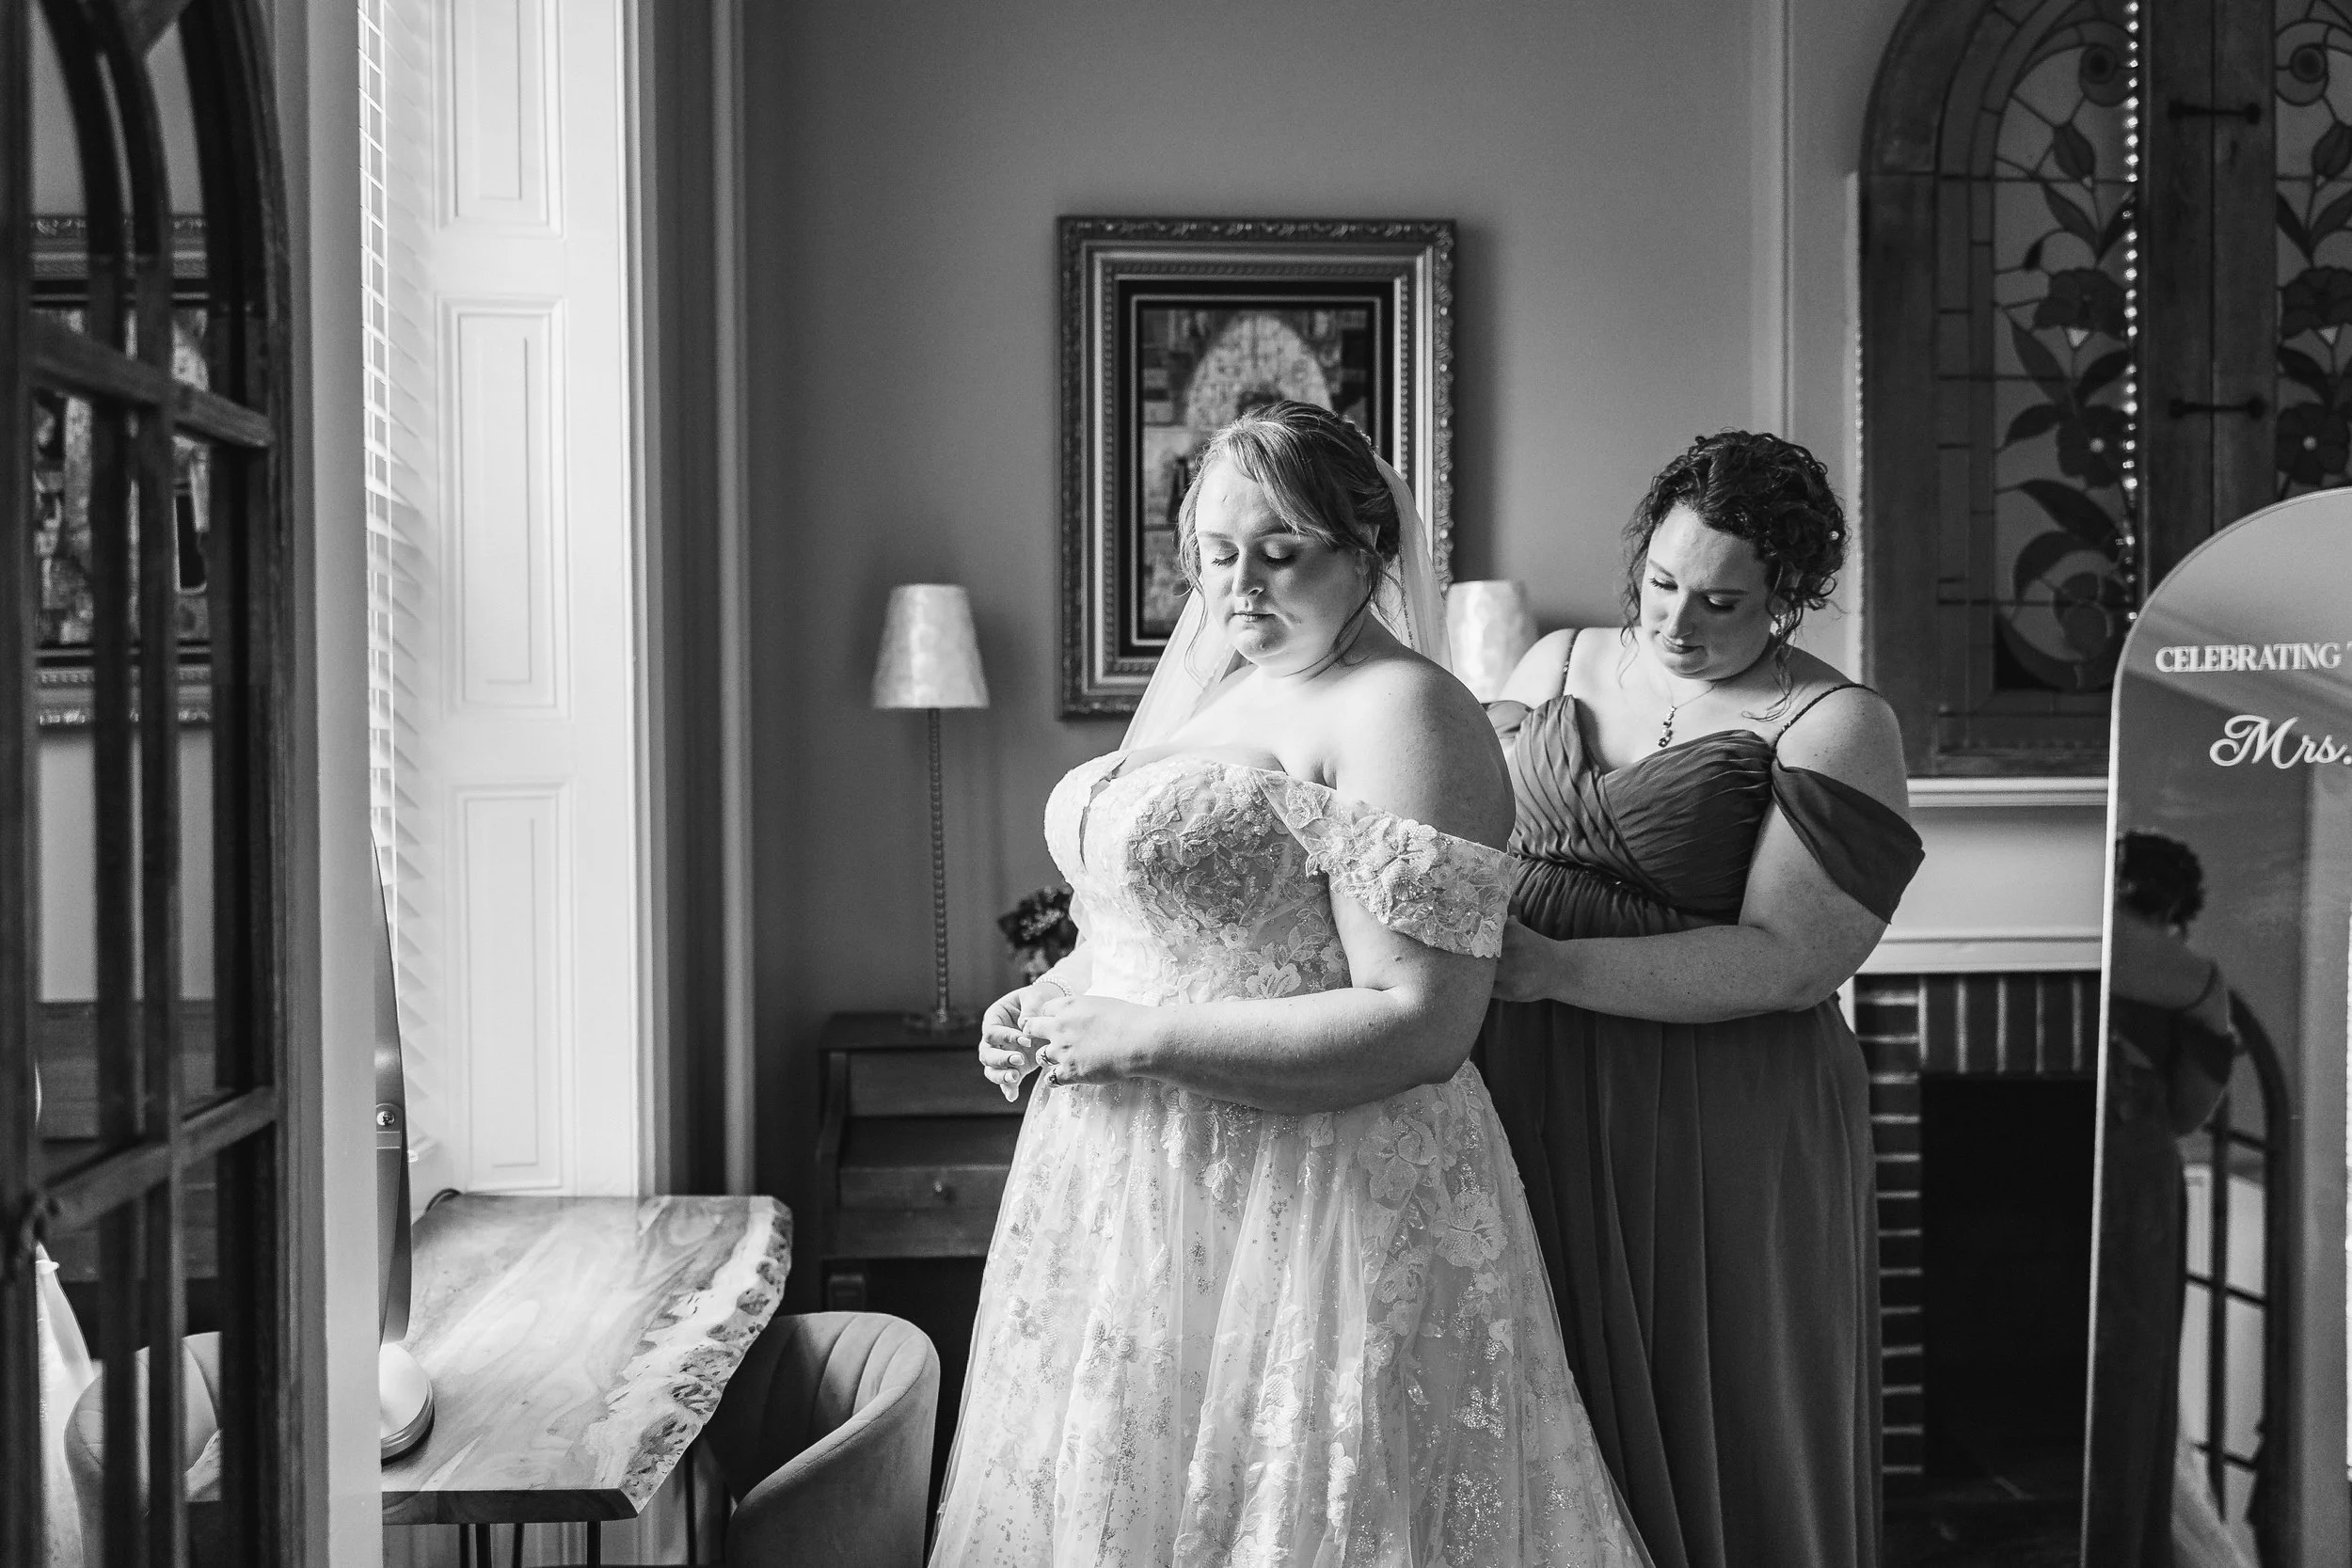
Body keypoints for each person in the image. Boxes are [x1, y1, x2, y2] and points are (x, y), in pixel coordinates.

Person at [935, 400, 1650, 1566]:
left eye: (1281, 552)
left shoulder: (1406, 709)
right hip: (1130, 1186)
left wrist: (1140, 1037)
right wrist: (1054, 995)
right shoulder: (1222, 690)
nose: (1239, 586)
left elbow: (1422, 1022)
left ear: (1366, 552)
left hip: (1309, 1190)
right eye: (1217, 553)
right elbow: (1158, 925)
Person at [1476, 431, 1922, 1568]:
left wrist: (1551, 964)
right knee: (1535, 1365)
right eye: (1661, 585)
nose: (1676, 624)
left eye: (1721, 602)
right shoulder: (1555, 662)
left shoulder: (1834, 723)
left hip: (1711, 1101)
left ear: (1790, 599)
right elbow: (1465, 844)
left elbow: (1789, 958)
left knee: (1701, 1387)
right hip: (1519, 1060)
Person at [2086, 831, 2246, 1568]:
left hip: (2108, 1156)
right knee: (2131, 1365)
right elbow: (2189, 1109)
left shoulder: (2082, 923)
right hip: (2136, 1169)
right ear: (2176, 904)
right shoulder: (2196, 975)